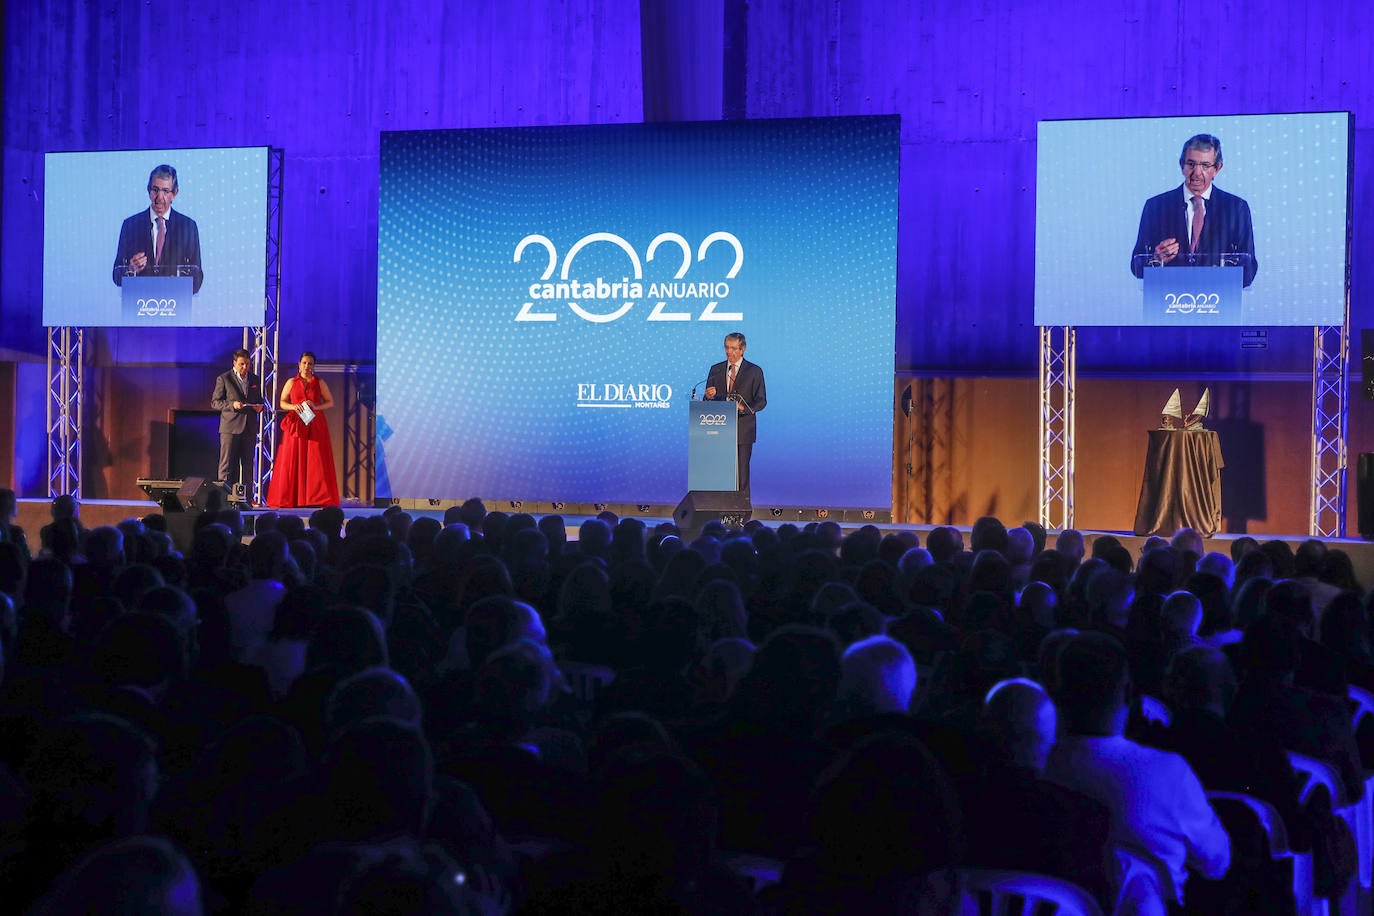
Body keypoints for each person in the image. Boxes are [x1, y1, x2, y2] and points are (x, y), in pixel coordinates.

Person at [1130, 133, 1258, 287]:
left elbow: (1249, 270)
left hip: (1219, 302)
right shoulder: (1156, 207)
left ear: (1217, 168)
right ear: (1181, 165)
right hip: (1167, 302)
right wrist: (1156, 259)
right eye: (1191, 164)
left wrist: (1223, 272)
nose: (1197, 173)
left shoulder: (1236, 208)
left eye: (1205, 165)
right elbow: (1136, 266)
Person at [112, 164, 204, 293]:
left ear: (174, 193)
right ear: (148, 191)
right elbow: (116, 276)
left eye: (165, 191)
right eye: (155, 190)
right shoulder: (130, 225)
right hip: (138, 306)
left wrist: (179, 281)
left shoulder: (188, 227)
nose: (159, 198)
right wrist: (130, 269)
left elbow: (197, 279)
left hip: (175, 306)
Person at [267, 351, 340, 508]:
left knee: (316, 461)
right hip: (295, 424)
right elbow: (282, 402)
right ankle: (291, 498)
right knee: (292, 459)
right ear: (299, 364)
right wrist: (294, 406)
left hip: (315, 423)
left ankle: (315, 498)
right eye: (304, 363)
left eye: (310, 363)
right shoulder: (291, 382)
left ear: (314, 366)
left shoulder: (319, 382)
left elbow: (330, 402)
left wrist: (317, 406)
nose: (307, 366)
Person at [702, 332, 766, 501]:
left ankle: (741, 512)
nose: (729, 352)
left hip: (742, 430)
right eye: (726, 348)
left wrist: (743, 408)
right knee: (719, 472)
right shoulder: (715, 369)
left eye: (733, 348)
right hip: (719, 429)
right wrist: (708, 396)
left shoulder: (754, 371)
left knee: (741, 474)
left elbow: (761, 401)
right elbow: (706, 401)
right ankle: (719, 509)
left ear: (742, 349)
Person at [211, 349, 264, 505]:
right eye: (241, 364)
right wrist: (232, 405)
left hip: (249, 427)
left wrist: (259, 407)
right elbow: (215, 402)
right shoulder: (224, 378)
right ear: (234, 363)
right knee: (227, 466)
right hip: (230, 428)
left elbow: (259, 399)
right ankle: (223, 499)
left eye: (247, 364)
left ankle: (248, 499)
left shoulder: (254, 379)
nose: (244, 367)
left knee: (248, 465)